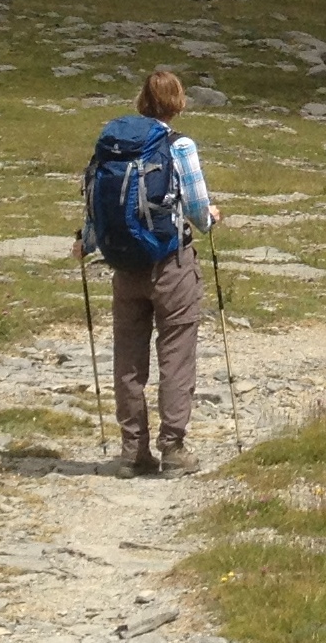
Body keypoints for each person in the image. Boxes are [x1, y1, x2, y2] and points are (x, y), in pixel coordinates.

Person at [90, 68, 222, 475]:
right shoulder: (179, 145)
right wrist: (212, 216)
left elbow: (97, 199)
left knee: (128, 358)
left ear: (142, 100)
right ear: (178, 102)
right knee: (176, 355)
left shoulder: (112, 144)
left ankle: (133, 451)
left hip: (124, 265)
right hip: (171, 264)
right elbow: (199, 211)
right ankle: (173, 448)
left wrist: (89, 241)